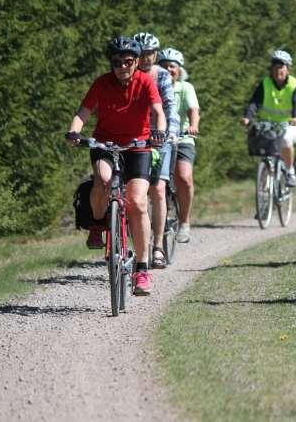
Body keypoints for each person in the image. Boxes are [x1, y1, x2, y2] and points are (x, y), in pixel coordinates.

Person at [66, 36, 166, 296]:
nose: (123, 66)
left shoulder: (145, 81)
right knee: (103, 179)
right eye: (117, 62)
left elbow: (158, 111)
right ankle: (99, 223)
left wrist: (160, 132)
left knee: (138, 202)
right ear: (111, 63)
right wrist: (74, 132)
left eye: (128, 61)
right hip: (105, 145)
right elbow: (83, 112)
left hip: (138, 146)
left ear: (136, 62)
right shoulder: (101, 83)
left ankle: (142, 270)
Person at [133, 32, 180, 268]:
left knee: (158, 189)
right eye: (142, 53)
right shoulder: (127, 75)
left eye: (151, 53)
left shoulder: (161, 75)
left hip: (160, 137)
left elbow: (170, 107)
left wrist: (169, 133)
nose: (147, 58)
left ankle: (158, 245)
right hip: (135, 138)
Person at [241, 50, 296, 187]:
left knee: (286, 140)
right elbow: (254, 103)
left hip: (290, 126)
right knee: (262, 148)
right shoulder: (265, 84)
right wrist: (247, 117)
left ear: (288, 69)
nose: (277, 71)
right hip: (268, 126)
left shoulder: (294, 85)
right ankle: (266, 180)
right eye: (274, 67)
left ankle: (290, 171)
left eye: (281, 67)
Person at [158, 48, 201, 243]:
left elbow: (193, 110)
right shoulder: (153, 85)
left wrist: (193, 126)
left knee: (183, 177)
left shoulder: (185, 88)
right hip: (157, 138)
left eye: (172, 66)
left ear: (179, 69)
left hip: (182, 138)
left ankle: (184, 221)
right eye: (164, 65)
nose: (168, 69)